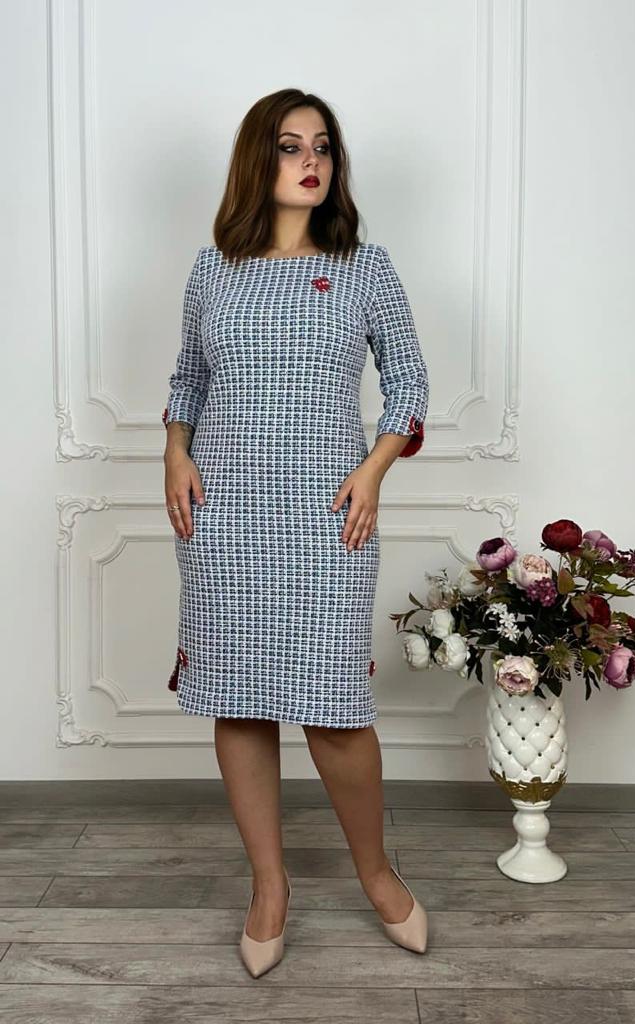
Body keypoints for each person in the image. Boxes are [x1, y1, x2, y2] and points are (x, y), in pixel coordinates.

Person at [162, 88, 430, 977]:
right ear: (259, 159)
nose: (311, 161)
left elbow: (410, 384)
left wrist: (374, 469)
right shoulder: (213, 270)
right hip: (223, 510)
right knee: (240, 697)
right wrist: (174, 452)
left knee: (333, 708)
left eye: (322, 146)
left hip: (328, 515)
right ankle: (268, 886)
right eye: (289, 145)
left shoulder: (364, 267)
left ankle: (377, 874)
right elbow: (188, 381)